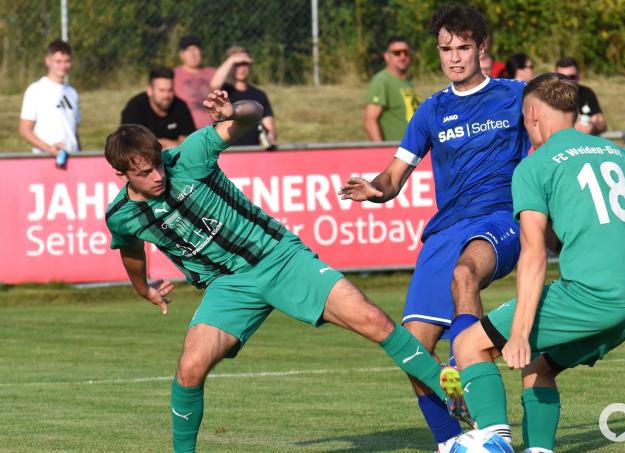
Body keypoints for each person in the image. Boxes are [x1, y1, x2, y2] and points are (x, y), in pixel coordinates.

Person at [104, 90, 452, 453]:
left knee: (375, 321)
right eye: (145, 173)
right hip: (228, 286)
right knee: (190, 367)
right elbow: (130, 249)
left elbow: (253, 114)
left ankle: (460, 400)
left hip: (279, 257)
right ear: (122, 174)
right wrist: (143, 288)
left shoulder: (190, 156)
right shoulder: (122, 216)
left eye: (158, 164)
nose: (158, 175)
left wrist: (232, 110)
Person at [450, 73, 625, 451]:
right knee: (539, 367)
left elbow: (533, 254)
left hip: (591, 296)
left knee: (468, 345)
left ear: (531, 114)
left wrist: (520, 332)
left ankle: (491, 443)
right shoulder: (614, 152)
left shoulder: (535, 165)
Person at [340, 4, 530, 450]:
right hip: (445, 232)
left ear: (482, 47)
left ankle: (487, 416)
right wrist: (373, 189)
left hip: (500, 220)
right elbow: (393, 178)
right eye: (446, 49)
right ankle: (451, 442)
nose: (455, 57)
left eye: (464, 47)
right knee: (414, 354)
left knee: (466, 275)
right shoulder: (431, 111)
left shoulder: (517, 95)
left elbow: (560, 141)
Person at [19, 39, 80, 159]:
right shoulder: (36, 90)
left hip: (72, 158)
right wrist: (48, 148)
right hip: (45, 159)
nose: (63, 66)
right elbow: (24, 129)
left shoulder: (72, 92)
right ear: (47, 61)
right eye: (58, 61)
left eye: (67, 61)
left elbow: (74, 131)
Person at [210, 46, 277, 148]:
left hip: (253, 151)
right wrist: (232, 59)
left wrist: (270, 136)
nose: (242, 68)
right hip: (227, 151)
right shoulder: (223, 93)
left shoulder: (259, 94)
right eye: (237, 64)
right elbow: (214, 84)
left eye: (245, 64)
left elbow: (270, 128)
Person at [121, 66, 195, 149]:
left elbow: (189, 140)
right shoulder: (135, 108)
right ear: (150, 91)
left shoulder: (180, 106)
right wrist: (168, 144)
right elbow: (131, 142)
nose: (166, 95)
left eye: (170, 90)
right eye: (161, 90)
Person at [364, 37, 419, 142]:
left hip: (412, 151)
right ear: (387, 56)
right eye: (397, 53)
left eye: (406, 53)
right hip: (395, 152)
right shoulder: (382, 81)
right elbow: (370, 120)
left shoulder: (408, 83)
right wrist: (381, 151)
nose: (402, 57)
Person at [554, 57, 607, 135]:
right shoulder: (550, 96)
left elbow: (602, 124)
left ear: (579, 76)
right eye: (562, 77)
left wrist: (592, 125)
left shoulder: (586, 93)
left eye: (572, 77)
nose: (567, 81)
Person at [174, 35, 216, 129]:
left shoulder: (212, 73)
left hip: (211, 130)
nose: (193, 54)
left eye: (196, 49)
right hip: (184, 131)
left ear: (201, 52)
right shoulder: (173, 75)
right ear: (181, 55)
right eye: (188, 50)